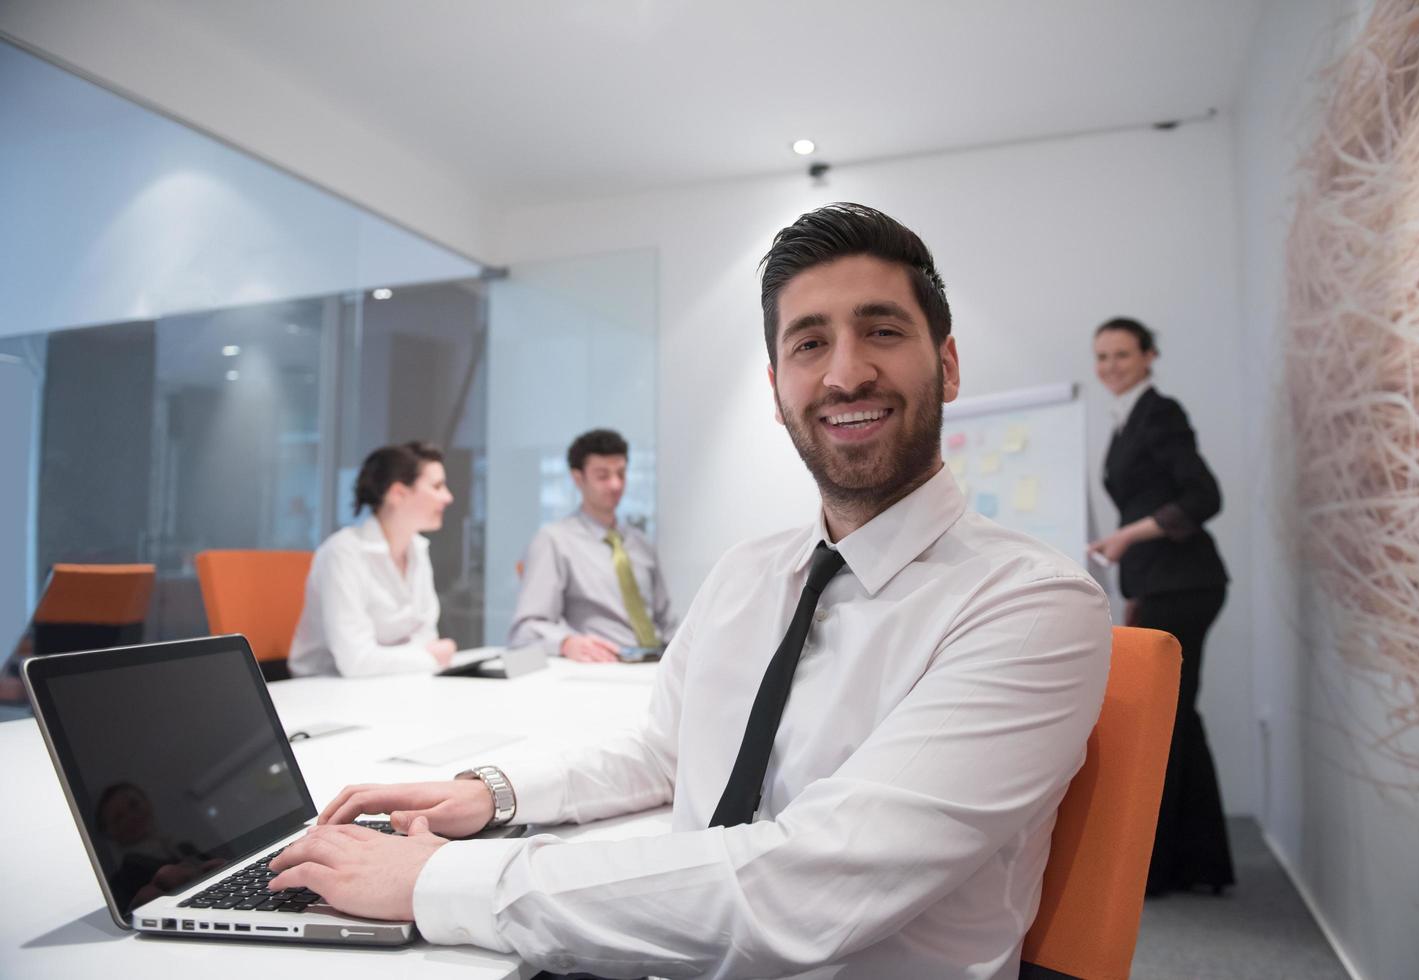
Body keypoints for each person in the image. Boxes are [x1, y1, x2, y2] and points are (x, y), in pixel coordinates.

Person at [267, 204, 1113, 979]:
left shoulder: (1030, 605)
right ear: (778, 392)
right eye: (808, 344)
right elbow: (667, 754)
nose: (844, 374)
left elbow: (800, 889)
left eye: (881, 330)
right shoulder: (750, 572)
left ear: (948, 365)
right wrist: (493, 795)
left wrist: (446, 881)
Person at [1088, 317, 1235, 895]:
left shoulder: (1159, 412)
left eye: (1122, 355)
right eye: (1101, 356)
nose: (1110, 366)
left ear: (1149, 357)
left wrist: (1128, 538)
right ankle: (1195, 865)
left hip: (1185, 583)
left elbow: (1205, 496)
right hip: (1163, 583)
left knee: (1163, 718)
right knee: (1178, 717)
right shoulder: (1129, 420)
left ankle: (1162, 868)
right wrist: (1125, 546)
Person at [288, 441, 458, 677]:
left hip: (390, 682)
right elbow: (356, 661)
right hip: (324, 690)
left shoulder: (418, 550)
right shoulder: (343, 553)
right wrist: (429, 656)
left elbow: (426, 636)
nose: (447, 497)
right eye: (437, 486)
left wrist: (420, 655)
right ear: (398, 493)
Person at [508, 429, 675, 663]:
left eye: (621, 473)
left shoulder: (641, 544)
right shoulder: (554, 541)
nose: (616, 484)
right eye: (603, 476)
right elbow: (525, 629)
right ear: (578, 478)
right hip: (602, 667)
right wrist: (566, 643)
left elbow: (666, 622)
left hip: (657, 666)